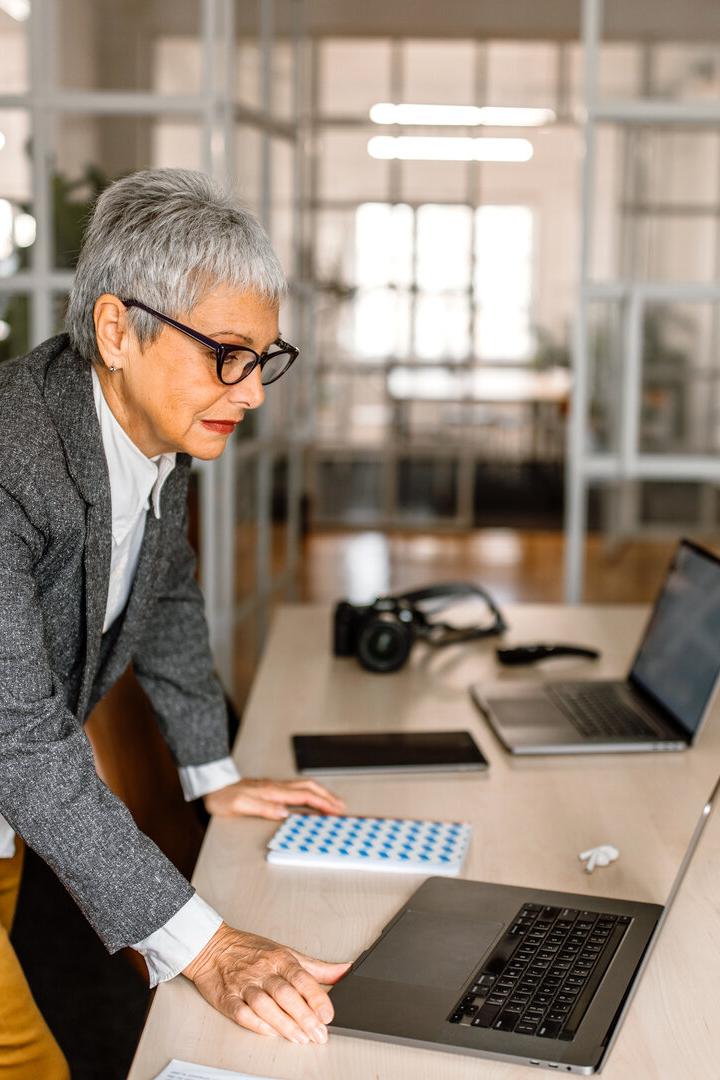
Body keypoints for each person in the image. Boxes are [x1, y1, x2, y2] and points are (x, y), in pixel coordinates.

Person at [0, 168, 350, 1078]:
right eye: (227, 354)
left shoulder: (152, 430)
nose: (253, 391)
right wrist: (210, 948)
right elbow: (18, 734)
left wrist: (211, 772)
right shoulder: (11, 459)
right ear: (117, 330)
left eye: (264, 358)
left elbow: (166, 593)